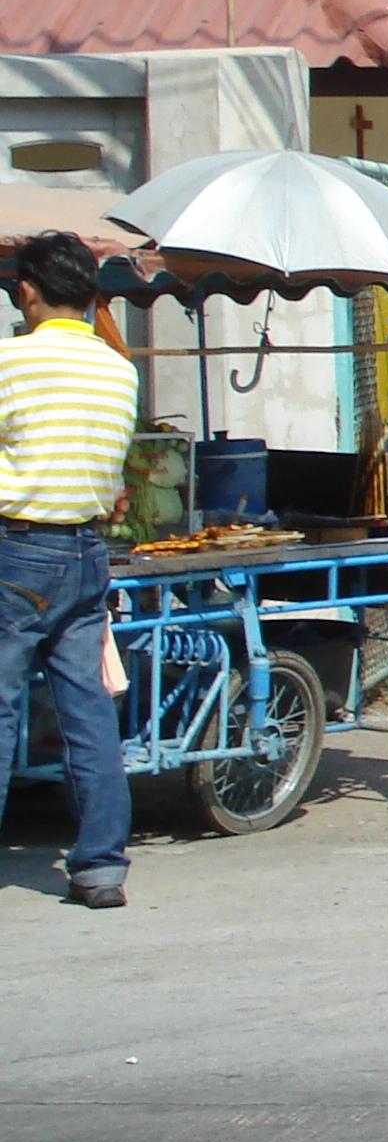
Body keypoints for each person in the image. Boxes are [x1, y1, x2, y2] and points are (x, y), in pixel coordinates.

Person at [0, 231, 141, 910]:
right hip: (85, 554)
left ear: (25, 290)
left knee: (0, 710)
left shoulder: (10, 362)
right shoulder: (120, 370)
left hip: (18, 552)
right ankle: (100, 867)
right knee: (87, 712)